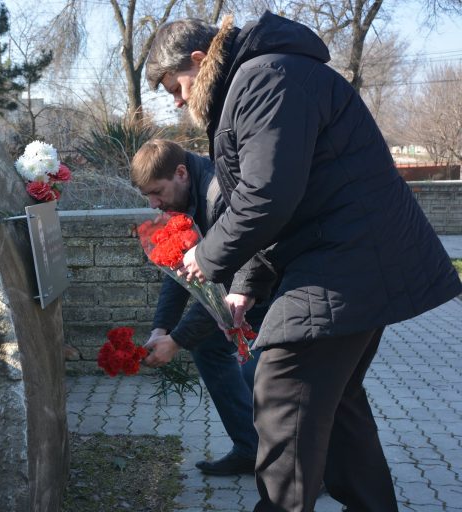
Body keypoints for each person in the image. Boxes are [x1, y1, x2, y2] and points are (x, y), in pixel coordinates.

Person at [144, 11, 462, 512]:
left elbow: (268, 197)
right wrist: (246, 282)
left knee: (281, 392)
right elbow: (280, 198)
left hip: (345, 260)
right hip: (345, 258)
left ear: (199, 61)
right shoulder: (259, 78)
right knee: (336, 409)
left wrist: (207, 255)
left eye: (175, 87)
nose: (178, 101)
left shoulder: (265, 78)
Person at [131, 138, 271, 476]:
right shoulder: (182, 199)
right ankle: (250, 448)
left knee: (268, 376)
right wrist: (161, 329)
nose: (153, 203)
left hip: (272, 281)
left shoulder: (218, 194)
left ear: (181, 173)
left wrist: (177, 340)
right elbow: (180, 272)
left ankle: (317, 467)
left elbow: (233, 279)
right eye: (147, 195)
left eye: (157, 192)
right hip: (243, 285)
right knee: (208, 347)